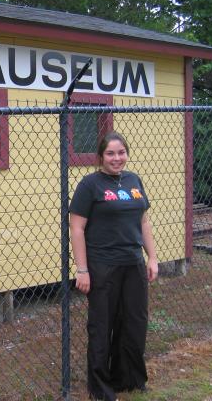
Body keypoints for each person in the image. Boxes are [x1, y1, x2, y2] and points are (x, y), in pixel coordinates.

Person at [69, 131, 158, 401]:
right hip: (102, 266)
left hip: (133, 264)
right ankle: (101, 388)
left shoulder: (134, 180)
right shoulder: (90, 185)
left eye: (121, 153)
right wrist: (82, 269)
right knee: (101, 325)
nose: (116, 158)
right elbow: (76, 227)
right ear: (100, 157)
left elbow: (143, 222)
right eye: (110, 153)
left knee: (134, 322)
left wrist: (152, 257)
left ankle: (129, 378)